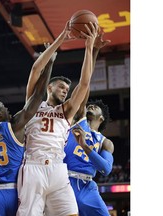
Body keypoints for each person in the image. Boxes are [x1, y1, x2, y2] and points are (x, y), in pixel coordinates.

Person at [16, 20, 98, 216]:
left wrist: (89, 46)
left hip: (58, 170)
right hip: (33, 168)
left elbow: (85, 84)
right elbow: (36, 70)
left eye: (67, 90)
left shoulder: (67, 110)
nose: (65, 91)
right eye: (61, 87)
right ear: (49, 87)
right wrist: (61, 37)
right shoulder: (33, 104)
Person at [0, 51, 56, 216]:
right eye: (3, 106)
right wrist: (50, 63)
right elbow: (38, 95)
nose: (7, 107)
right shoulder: (14, 126)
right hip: (16, 193)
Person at [63, 29, 114, 216]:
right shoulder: (79, 120)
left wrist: (85, 146)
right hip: (64, 183)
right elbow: (85, 83)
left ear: (101, 118)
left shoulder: (106, 142)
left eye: (95, 107)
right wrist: (93, 50)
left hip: (87, 187)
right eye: (89, 105)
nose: (90, 106)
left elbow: (106, 169)